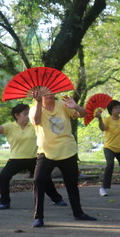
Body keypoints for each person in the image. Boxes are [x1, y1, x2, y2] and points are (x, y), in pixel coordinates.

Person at [30, 92, 96, 227]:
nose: (48, 94)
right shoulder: (34, 108)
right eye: (44, 92)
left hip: (67, 150)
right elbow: (36, 121)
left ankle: (78, 213)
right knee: (38, 181)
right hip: (46, 152)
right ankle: (38, 217)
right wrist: (37, 102)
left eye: (50, 91)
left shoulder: (63, 105)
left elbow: (84, 114)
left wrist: (76, 106)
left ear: (54, 92)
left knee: (72, 184)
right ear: (39, 94)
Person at [0, 104, 66, 210]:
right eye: (25, 114)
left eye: (29, 114)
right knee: (3, 177)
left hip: (34, 158)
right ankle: (4, 202)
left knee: (45, 178)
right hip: (16, 159)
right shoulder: (10, 127)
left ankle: (57, 199)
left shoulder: (34, 126)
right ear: (17, 115)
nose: (28, 116)